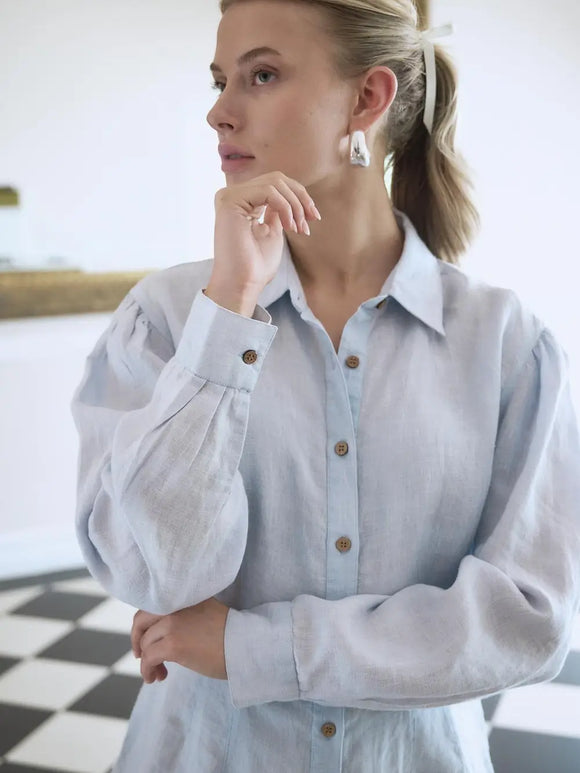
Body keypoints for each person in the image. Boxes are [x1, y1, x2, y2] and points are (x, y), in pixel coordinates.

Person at [70, 1, 580, 771]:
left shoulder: (506, 344)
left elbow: (526, 621)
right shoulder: (171, 320)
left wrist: (259, 647)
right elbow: (161, 575)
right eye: (219, 80)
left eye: (261, 75)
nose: (218, 112)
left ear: (367, 99)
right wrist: (231, 310)